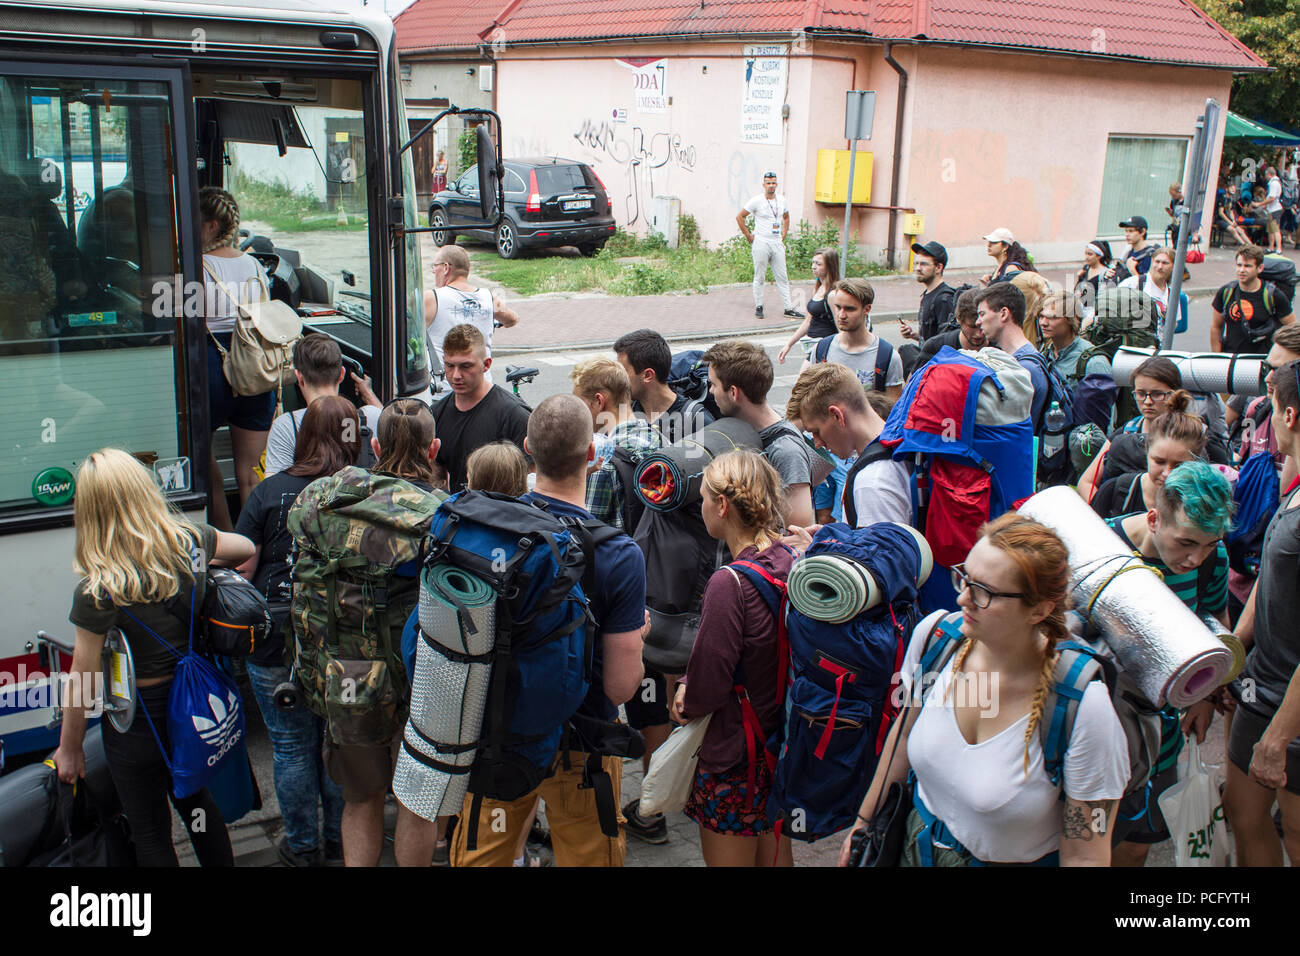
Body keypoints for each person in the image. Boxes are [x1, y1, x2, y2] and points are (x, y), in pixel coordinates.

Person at [840, 514, 1128, 866]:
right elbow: (903, 736)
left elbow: (1086, 853)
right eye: (964, 578)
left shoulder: (1083, 707)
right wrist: (864, 823)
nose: (963, 598)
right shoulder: (936, 638)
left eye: (985, 592)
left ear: (1040, 609)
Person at [449, 394, 647, 867]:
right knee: (588, 853)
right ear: (593, 457)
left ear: (526, 450)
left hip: (500, 736)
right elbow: (620, 686)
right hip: (586, 742)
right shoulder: (619, 555)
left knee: (486, 854)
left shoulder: (490, 531)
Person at [54, 448, 255, 866]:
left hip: (137, 727)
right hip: (191, 709)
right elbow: (244, 547)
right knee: (196, 806)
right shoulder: (190, 542)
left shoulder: (98, 589)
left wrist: (70, 750)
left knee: (150, 831)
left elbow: (83, 679)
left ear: (90, 510)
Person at [305, 398, 445, 867]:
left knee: (361, 799)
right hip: (418, 679)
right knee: (417, 802)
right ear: (434, 449)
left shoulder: (326, 497)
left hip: (347, 674)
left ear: (375, 444)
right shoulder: (443, 517)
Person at [235, 396, 360, 866]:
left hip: (275, 635)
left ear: (304, 434)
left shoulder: (270, 492)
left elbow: (245, 566)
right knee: (336, 740)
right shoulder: (361, 492)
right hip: (342, 637)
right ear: (353, 436)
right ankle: (338, 837)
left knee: (290, 745)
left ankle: (303, 847)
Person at [668, 450, 795, 867]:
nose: (700, 505)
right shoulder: (788, 559)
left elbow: (708, 683)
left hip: (735, 756)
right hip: (780, 743)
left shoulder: (730, 583)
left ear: (722, 506)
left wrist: (685, 693)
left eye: (704, 497)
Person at [1105, 461, 1234, 867]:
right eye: (1185, 543)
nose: (1197, 558)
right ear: (1154, 518)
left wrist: (1207, 698)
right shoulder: (1103, 545)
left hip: (1162, 743)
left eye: (1209, 544)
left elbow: (1215, 622)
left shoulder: (1214, 559)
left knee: (1135, 845)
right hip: (1098, 738)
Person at [1220, 360, 1300, 866]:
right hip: (1260, 690)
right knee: (1243, 817)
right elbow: (1270, 577)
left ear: (1289, 415)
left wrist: (1279, 736)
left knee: (1295, 833)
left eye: (1271, 407)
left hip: (1293, 711)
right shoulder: (1292, 476)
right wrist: (1227, 656)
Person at [200, 186, 275, 531]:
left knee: (204, 458)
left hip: (212, 366)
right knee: (250, 472)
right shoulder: (256, 266)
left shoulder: (195, 267)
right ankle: (251, 545)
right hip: (254, 368)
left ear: (211, 225)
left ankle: (224, 534)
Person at [702, 340, 815, 528]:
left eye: (713, 384)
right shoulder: (739, 428)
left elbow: (798, 531)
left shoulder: (786, 450)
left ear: (733, 393)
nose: (711, 391)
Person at [785, 362, 910, 529]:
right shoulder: (896, 443)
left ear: (837, 415)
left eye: (816, 431)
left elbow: (877, 554)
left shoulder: (872, 483)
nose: (817, 443)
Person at [263, 333, 381, 478]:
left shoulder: (286, 426)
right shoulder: (370, 416)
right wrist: (368, 394)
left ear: (299, 377)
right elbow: (395, 426)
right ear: (342, 374)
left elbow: (274, 488)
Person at [433, 323, 530, 492]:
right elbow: (437, 478)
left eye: (465, 366)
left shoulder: (515, 415)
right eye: (449, 366)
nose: (455, 375)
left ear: (486, 364)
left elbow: (530, 481)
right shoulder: (436, 414)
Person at [570, 357, 661, 530]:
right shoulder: (656, 437)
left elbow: (584, 533)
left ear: (599, 401)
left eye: (580, 404)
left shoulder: (602, 463)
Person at [1077, 356, 1185, 499]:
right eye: (1141, 394)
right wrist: (1102, 513)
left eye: (1157, 394)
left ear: (1174, 394)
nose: (1147, 401)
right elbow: (1086, 482)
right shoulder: (1126, 431)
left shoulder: (1191, 434)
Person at [1089, 392, 1207, 520]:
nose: (1167, 473)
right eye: (1159, 461)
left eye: (1179, 466)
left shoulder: (1205, 505)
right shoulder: (1115, 491)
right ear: (1147, 451)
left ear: (1196, 462)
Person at [424, 244, 518, 388]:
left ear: (446, 268)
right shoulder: (488, 297)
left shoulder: (432, 298)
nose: (433, 271)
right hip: (481, 388)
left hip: (447, 388)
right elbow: (512, 319)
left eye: (435, 266)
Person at [803, 277, 904, 401]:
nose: (841, 315)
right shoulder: (821, 349)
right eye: (838, 307)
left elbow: (893, 413)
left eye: (849, 309)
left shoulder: (887, 356)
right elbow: (809, 401)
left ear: (867, 309)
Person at [614, 328, 714, 444]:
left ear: (648, 375)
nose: (618, 378)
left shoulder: (695, 419)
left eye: (623, 372)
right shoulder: (626, 412)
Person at [974, 282, 1048, 426]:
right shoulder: (1021, 359)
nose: (978, 322)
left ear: (1003, 314)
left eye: (982, 314)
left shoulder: (1025, 368)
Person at [736, 172, 802, 320]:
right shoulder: (756, 201)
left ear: (776, 184)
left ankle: (788, 308)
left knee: (782, 276)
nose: (771, 186)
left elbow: (786, 217)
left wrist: (784, 234)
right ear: (764, 184)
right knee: (760, 276)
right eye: (768, 183)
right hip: (761, 241)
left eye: (773, 183)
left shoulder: (782, 201)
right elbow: (740, 216)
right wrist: (748, 235)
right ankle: (759, 306)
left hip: (776, 242)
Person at [1210, 245, 1296, 355]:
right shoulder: (1226, 292)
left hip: (1261, 360)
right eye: (1239, 265)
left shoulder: (1273, 295)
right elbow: (1216, 327)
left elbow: (1293, 329)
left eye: (1247, 266)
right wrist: (1217, 357)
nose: (1242, 270)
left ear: (1260, 268)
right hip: (1232, 359)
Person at [776, 246, 839, 363]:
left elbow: (841, 327)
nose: (813, 266)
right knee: (803, 380)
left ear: (830, 266)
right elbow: (808, 321)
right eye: (813, 263)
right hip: (814, 348)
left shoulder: (832, 294)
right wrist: (789, 345)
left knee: (804, 380)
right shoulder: (819, 288)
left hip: (827, 350)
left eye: (819, 264)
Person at [1039, 290, 1111, 391]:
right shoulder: (1046, 354)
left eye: (1052, 317)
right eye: (1041, 316)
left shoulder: (1094, 363)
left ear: (1071, 319)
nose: (1043, 322)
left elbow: (1104, 405)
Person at [1119, 246, 1189, 343]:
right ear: (1152, 261)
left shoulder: (1172, 295)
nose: (1160, 267)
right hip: (1131, 346)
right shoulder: (1134, 283)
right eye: (1157, 261)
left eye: (1165, 263)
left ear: (1173, 266)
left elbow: (1174, 325)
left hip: (1156, 349)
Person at [900, 241, 957, 344]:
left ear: (938, 268)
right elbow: (931, 339)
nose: (918, 268)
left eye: (924, 264)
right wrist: (914, 335)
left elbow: (945, 342)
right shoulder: (928, 294)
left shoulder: (944, 299)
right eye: (916, 263)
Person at [914, 288, 987, 369]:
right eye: (972, 327)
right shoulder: (936, 347)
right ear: (958, 319)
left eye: (983, 326)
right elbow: (914, 380)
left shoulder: (999, 345)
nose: (978, 334)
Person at [1073, 239, 1114, 321]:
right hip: (1080, 307)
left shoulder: (1105, 273)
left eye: (1090, 254)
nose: (1086, 257)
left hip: (1092, 311)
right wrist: (1078, 278)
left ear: (1099, 256)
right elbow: (1076, 290)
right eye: (1085, 253)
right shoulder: (1086, 269)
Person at [1108, 215, 1155, 281]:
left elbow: (1147, 285)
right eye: (1126, 231)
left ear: (1142, 232)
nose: (1127, 234)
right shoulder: (1128, 252)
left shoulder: (1150, 255)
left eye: (1131, 231)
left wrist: (1132, 270)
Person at [1262, 166, 1284, 254]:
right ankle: (1271, 247)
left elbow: (1272, 198)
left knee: (1275, 229)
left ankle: (1278, 248)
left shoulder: (1273, 183)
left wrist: (1261, 203)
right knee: (1270, 230)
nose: (1265, 177)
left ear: (1269, 174)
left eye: (1266, 175)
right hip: (1271, 209)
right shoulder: (1275, 182)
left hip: (1275, 209)